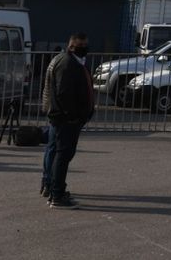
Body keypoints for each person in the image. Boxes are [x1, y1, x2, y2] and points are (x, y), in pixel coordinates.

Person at [41, 32, 95, 208]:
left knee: (60, 154)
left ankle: (55, 189)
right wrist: (73, 116)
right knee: (60, 155)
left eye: (86, 44)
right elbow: (64, 94)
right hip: (65, 119)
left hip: (66, 118)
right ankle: (56, 193)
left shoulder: (76, 63)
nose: (85, 48)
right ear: (72, 46)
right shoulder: (66, 63)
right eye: (81, 45)